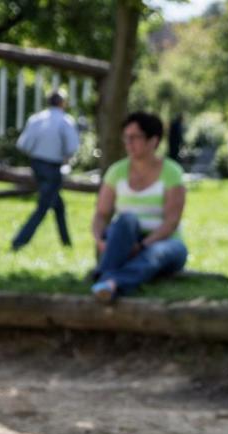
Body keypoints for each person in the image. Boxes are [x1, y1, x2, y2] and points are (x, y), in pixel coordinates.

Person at [89, 112, 188, 302]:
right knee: (126, 219)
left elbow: (171, 222)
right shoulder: (116, 171)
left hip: (164, 242)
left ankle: (108, 281)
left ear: (153, 141)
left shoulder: (172, 173)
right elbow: (101, 214)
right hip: (125, 240)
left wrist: (142, 246)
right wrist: (99, 240)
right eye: (126, 137)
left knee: (154, 254)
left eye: (135, 137)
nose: (128, 143)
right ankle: (108, 282)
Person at [10, 91, 79, 251]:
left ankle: (66, 243)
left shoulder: (36, 119)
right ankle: (19, 242)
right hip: (53, 168)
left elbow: (23, 145)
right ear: (62, 103)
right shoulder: (65, 121)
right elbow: (72, 147)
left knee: (58, 205)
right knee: (43, 207)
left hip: (36, 165)